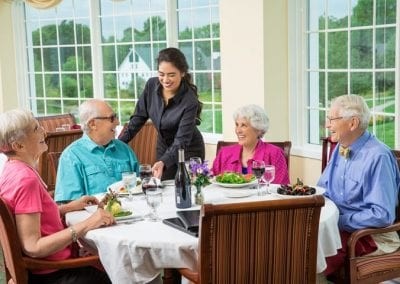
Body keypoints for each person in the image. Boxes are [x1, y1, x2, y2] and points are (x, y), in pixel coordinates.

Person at [0, 109, 114, 284]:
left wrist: (67, 208)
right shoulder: (26, 180)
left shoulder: (11, 169)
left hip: (49, 267)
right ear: (18, 146)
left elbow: (27, 218)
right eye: (35, 129)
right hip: (52, 274)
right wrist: (88, 223)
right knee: (119, 271)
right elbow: (33, 247)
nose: (44, 131)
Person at [317, 94, 400, 278]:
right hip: (339, 226)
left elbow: (383, 215)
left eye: (332, 119)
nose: (327, 125)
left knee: (310, 260)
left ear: (352, 123)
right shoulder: (341, 147)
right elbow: (323, 188)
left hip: (370, 235)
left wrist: (340, 221)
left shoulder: (378, 157)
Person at [119, 47, 205, 180]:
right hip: (164, 147)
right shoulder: (151, 86)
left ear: (182, 73)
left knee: (186, 189)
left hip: (188, 149)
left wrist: (164, 161)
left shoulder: (189, 101)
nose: (165, 80)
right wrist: (118, 143)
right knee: (162, 186)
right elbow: (138, 118)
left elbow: (181, 140)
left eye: (171, 75)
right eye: (161, 74)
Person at [54, 99, 139, 202]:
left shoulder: (124, 149)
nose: (118, 122)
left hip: (133, 213)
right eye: (112, 118)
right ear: (92, 124)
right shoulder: (71, 156)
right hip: (93, 215)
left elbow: (139, 187)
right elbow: (70, 204)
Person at [211, 104, 290, 184]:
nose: (238, 131)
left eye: (244, 125)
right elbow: (210, 183)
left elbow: (281, 190)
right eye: (237, 124)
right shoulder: (224, 153)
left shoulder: (274, 154)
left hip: (262, 197)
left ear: (258, 129)